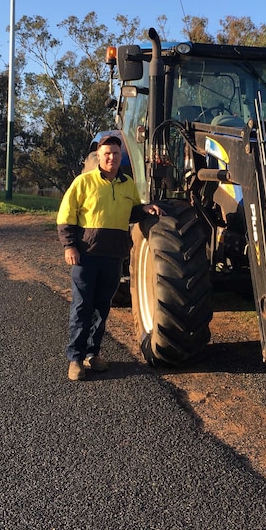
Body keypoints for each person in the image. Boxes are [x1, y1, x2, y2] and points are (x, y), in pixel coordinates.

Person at [57, 135, 162, 381]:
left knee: (102, 309)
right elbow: (66, 216)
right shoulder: (84, 182)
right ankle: (75, 358)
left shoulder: (127, 185)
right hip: (86, 257)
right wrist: (70, 246)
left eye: (115, 154)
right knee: (82, 307)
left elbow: (132, 211)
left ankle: (93, 354)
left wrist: (145, 209)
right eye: (107, 154)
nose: (111, 158)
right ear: (99, 156)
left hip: (113, 258)